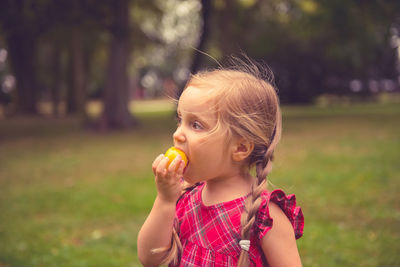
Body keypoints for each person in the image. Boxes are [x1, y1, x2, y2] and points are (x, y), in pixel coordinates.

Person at [137, 58, 304, 267]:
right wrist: (165, 200)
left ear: (241, 148)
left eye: (196, 125)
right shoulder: (185, 198)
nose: (178, 134)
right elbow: (149, 258)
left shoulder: (263, 217)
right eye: (180, 120)